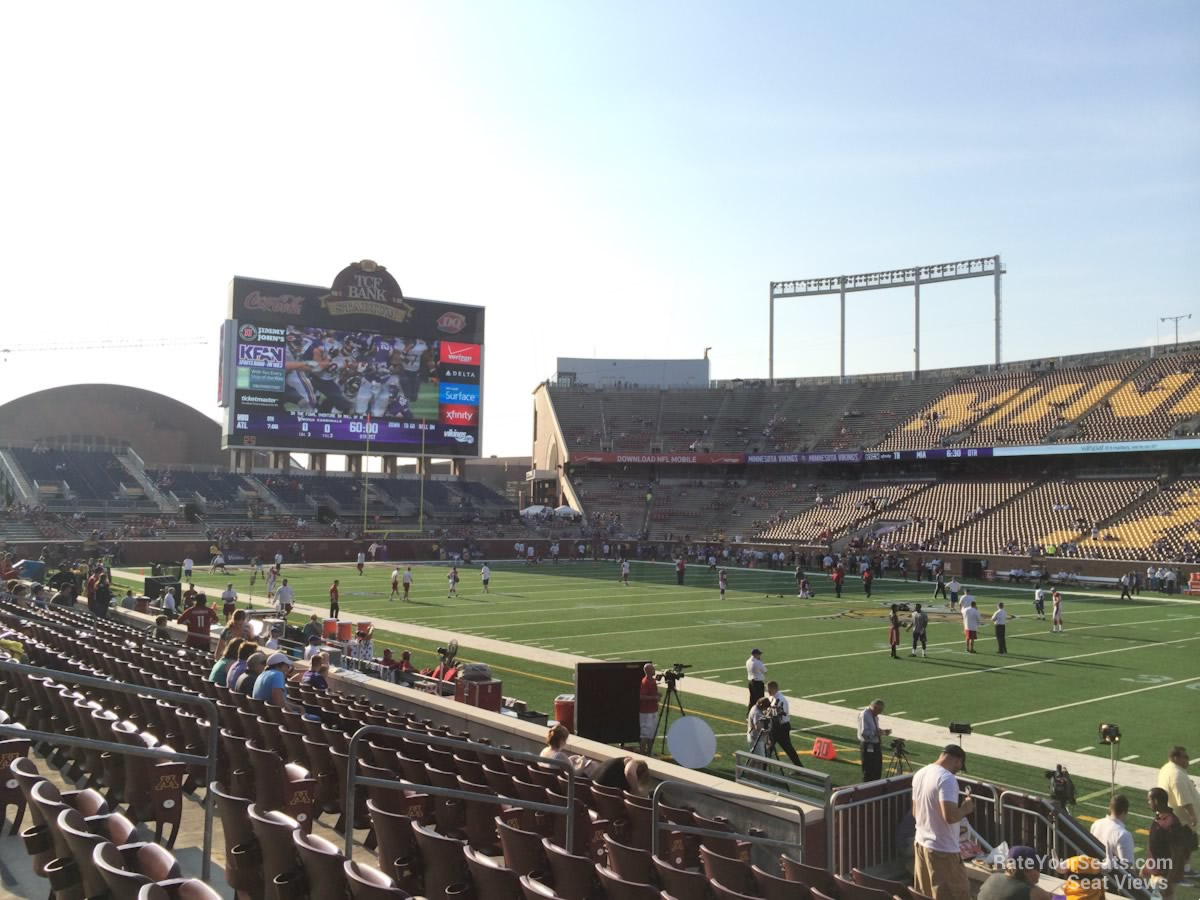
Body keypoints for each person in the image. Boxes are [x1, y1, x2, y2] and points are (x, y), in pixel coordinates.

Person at [911, 745, 974, 900]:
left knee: (925, 894)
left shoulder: (920, 773)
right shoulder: (947, 778)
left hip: (921, 844)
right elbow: (951, 817)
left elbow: (915, 812)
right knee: (956, 893)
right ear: (958, 761)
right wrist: (965, 809)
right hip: (943, 850)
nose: (957, 771)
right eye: (959, 767)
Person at [1157, 745, 1199, 871]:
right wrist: (1192, 815)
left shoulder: (1168, 768)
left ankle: (1185, 870)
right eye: (1185, 757)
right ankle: (1180, 873)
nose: (1188, 759)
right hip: (1181, 819)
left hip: (1174, 817)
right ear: (1176, 757)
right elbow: (1183, 800)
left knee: (1186, 846)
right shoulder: (1176, 775)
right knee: (1183, 847)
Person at [1144, 787, 1190, 899]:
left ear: (1155, 801)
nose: (1148, 803)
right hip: (1158, 875)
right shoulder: (1160, 819)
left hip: (1163, 877)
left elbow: (1177, 854)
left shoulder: (1171, 823)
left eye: (1149, 800)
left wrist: (1168, 881)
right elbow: (1155, 847)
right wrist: (1146, 867)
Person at [977, 845, 1052, 900]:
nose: (1039, 873)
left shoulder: (992, 878)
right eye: (1039, 868)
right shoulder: (1035, 893)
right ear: (1028, 870)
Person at [1089, 794, 1135, 874]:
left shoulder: (1096, 824)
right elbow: (1128, 868)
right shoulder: (1123, 835)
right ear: (1126, 812)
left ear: (1110, 808)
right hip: (1112, 879)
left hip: (1094, 873)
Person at [765, 681, 802, 768]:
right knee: (783, 748)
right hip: (776, 726)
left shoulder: (781, 699)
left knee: (774, 748)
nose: (767, 691)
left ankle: (762, 767)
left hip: (781, 727)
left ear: (774, 688)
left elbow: (780, 717)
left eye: (768, 689)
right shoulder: (772, 698)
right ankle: (799, 767)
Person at [858, 699, 889, 781]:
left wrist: (883, 731)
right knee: (869, 771)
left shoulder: (874, 715)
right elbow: (864, 732)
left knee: (877, 770)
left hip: (875, 745)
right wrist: (876, 733)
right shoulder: (865, 714)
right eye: (880, 710)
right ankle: (867, 791)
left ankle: (876, 789)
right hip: (868, 745)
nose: (880, 713)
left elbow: (874, 729)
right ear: (875, 707)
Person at [639, 663, 658, 754]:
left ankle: (649, 753)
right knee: (645, 735)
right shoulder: (645, 682)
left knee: (651, 735)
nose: (654, 670)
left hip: (653, 710)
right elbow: (642, 697)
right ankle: (643, 754)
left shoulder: (652, 681)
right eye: (653, 669)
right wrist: (654, 698)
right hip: (646, 712)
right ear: (649, 671)